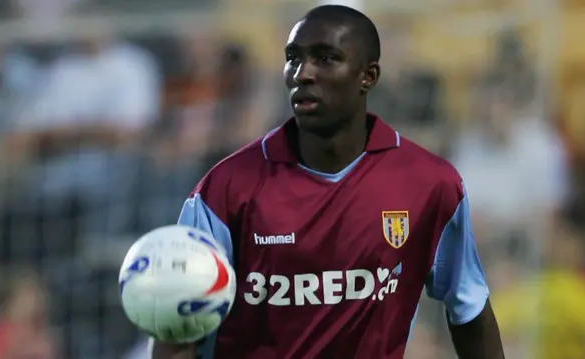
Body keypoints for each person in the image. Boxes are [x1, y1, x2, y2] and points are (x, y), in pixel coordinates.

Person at [152, 5, 504, 359]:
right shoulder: (225, 189)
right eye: (293, 59)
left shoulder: (430, 185)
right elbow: (175, 334)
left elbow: (470, 309)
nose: (303, 73)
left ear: (368, 76)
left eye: (326, 58)